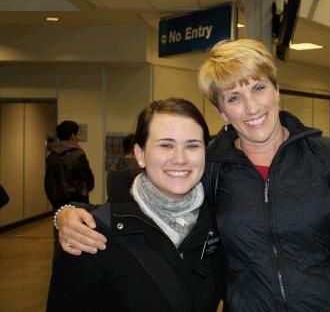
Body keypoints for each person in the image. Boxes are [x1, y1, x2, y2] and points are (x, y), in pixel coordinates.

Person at [55, 39, 330, 311]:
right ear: (221, 111)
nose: (252, 108)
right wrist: (68, 214)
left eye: (259, 88)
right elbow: (155, 180)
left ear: (277, 90)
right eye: (234, 97)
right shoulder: (212, 165)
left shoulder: (329, 157)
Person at [47, 98, 225, 312]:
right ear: (140, 154)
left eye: (192, 145)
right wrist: (64, 213)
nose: (180, 158)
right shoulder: (90, 235)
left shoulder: (216, 223)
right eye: (166, 145)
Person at [44, 120, 94, 211]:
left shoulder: (51, 156)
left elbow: (48, 182)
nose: (78, 138)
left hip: (57, 203)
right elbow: (89, 179)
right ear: (72, 136)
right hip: (78, 202)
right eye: (77, 134)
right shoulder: (78, 155)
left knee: (60, 224)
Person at [106, 133, 141, 201]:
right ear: (136, 149)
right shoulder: (138, 170)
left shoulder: (113, 167)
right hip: (132, 209)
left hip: (114, 208)